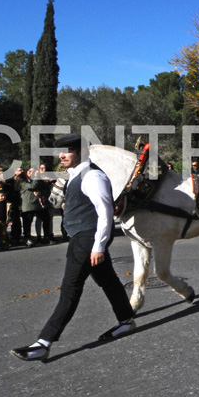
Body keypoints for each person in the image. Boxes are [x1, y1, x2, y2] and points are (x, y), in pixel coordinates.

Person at [10, 133, 136, 362]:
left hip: (87, 240)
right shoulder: (76, 175)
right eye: (61, 151)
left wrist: (98, 246)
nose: (61, 155)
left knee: (70, 289)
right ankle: (126, 320)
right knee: (108, 280)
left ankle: (44, 342)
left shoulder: (92, 176)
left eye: (67, 151)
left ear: (80, 152)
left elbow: (105, 213)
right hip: (84, 238)